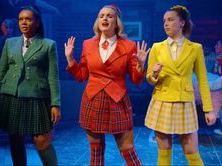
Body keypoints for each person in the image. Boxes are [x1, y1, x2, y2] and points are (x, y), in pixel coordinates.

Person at [64, 4, 149, 166]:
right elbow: (81, 76)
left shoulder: (129, 46)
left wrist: (140, 66)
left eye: (109, 16)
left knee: (128, 150)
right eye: (101, 15)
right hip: (93, 99)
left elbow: (136, 80)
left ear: (116, 22)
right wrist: (70, 59)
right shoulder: (88, 44)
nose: (105, 18)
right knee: (95, 151)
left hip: (117, 100)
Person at [144, 5, 216, 166]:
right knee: (164, 152)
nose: (166, 24)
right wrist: (154, 73)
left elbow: (203, 80)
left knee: (192, 153)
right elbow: (149, 78)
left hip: (185, 102)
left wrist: (209, 109)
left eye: (170, 20)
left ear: (182, 22)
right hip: (162, 101)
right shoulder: (157, 47)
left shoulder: (195, 48)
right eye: (164, 21)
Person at [0, 5, 61, 166]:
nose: (24, 22)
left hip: (36, 98)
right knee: (15, 140)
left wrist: (55, 103)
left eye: (28, 19)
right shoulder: (10, 43)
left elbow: (53, 76)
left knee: (42, 141)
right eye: (21, 19)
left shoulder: (48, 45)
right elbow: (1, 71)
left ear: (36, 22)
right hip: (11, 96)